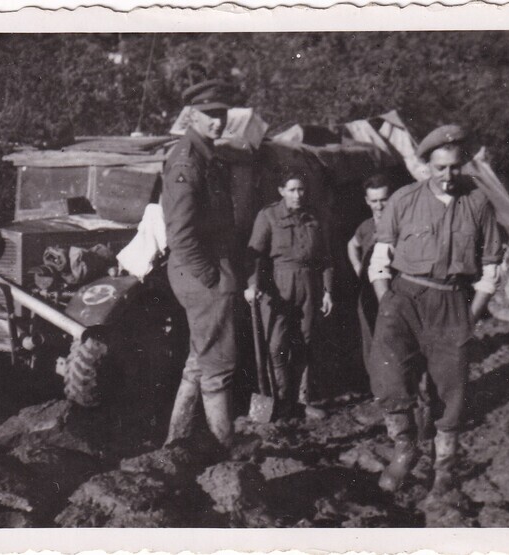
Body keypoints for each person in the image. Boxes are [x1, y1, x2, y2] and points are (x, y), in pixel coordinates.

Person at [367, 124, 503, 495]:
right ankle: (404, 450)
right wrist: (388, 303)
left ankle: (445, 466)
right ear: (426, 165)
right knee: (389, 375)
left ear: (464, 166)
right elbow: (381, 259)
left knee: (450, 387)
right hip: (404, 299)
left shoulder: (479, 204)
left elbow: (491, 268)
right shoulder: (404, 200)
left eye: (455, 167)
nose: (447, 176)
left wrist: (470, 315)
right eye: (440, 167)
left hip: (452, 301)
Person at [162, 79, 240, 451]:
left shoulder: (206, 154)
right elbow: (180, 233)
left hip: (204, 268)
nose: (218, 122)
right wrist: (211, 278)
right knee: (218, 364)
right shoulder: (187, 161)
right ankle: (226, 445)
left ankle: (175, 441)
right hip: (201, 271)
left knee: (199, 358)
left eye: (222, 114)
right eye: (210, 115)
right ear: (191, 115)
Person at [244, 174, 334, 420]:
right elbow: (254, 256)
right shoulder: (268, 216)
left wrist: (327, 291)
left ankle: (302, 401)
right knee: (276, 347)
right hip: (279, 285)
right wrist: (253, 284)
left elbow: (325, 258)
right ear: (281, 190)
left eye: (302, 190)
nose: (298, 195)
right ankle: (280, 403)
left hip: (309, 284)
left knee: (304, 344)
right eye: (292, 190)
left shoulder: (313, 217)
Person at [347, 174, 391, 373]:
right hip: (368, 294)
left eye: (384, 199)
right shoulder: (365, 227)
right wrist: (357, 265)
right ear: (367, 201)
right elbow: (352, 244)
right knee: (372, 338)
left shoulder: (402, 224)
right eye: (374, 201)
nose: (379, 206)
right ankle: (379, 388)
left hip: (393, 291)